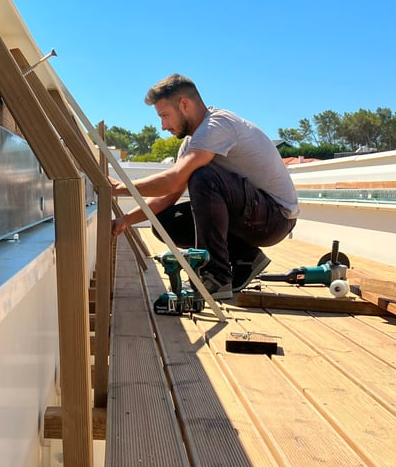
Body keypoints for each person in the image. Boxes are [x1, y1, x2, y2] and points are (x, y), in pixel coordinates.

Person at [111, 74, 299, 300]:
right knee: (164, 222)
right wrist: (125, 221)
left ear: (184, 104)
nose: (163, 126)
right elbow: (169, 195)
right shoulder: (191, 143)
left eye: (164, 115)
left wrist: (120, 187)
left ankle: (216, 277)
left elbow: (173, 179)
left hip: (276, 218)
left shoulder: (216, 125)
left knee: (203, 177)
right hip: (253, 214)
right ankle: (246, 257)